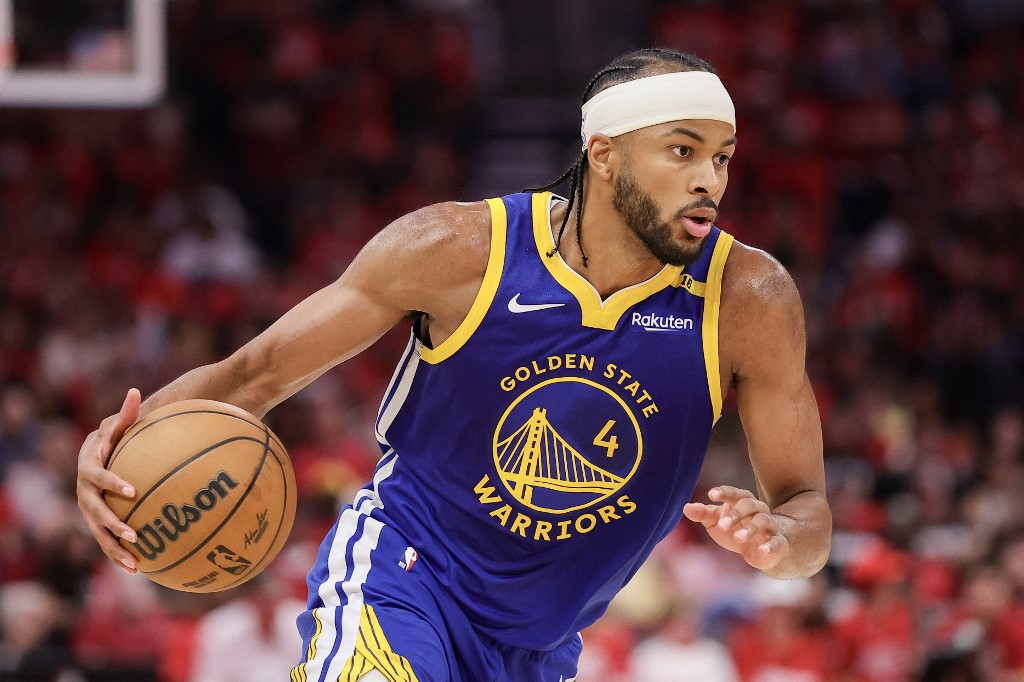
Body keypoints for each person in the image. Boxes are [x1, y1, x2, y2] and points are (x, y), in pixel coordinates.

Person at [77, 48, 831, 682]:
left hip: (540, 650)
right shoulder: (460, 251)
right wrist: (116, 451)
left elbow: (808, 513)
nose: (711, 179)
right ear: (604, 154)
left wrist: (779, 540)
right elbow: (251, 378)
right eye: (683, 150)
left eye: (722, 157)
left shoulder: (749, 299)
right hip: (403, 580)